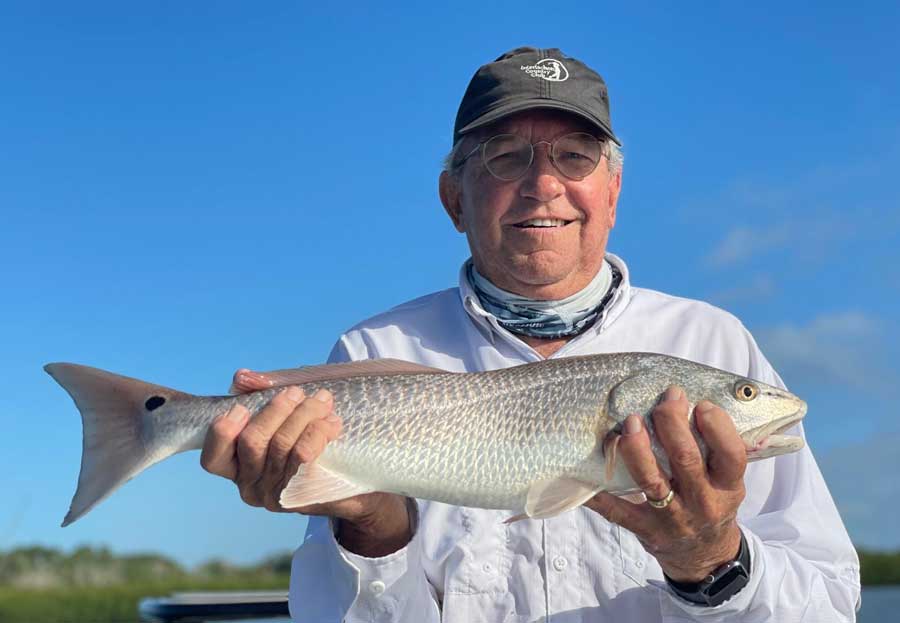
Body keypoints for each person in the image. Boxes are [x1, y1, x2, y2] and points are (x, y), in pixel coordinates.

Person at [200, 47, 861, 621]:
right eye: (505, 158)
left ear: (613, 191)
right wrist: (373, 527)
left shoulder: (714, 339)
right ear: (453, 197)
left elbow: (832, 604)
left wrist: (715, 562)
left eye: (575, 157)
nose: (543, 185)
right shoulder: (373, 351)